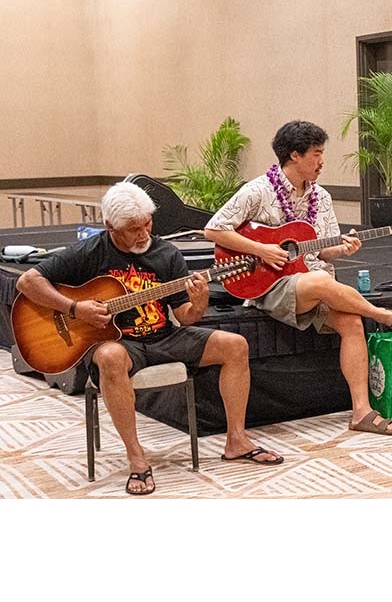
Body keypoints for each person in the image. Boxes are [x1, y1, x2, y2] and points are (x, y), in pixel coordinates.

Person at [15, 182, 283, 496]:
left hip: (164, 337)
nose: (144, 234)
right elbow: (27, 281)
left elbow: (184, 316)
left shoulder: (166, 253)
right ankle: (136, 457)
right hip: (118, 344)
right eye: (134, 229)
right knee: (110, 357)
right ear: (111, 227)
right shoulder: (90, 252)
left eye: (148, 224)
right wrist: (74, 308)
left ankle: (236, 440)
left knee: (235, 345)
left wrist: (198, 304)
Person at [204, 120, 392, 437]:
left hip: (310, 282)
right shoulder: (258, 191)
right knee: (321, 283)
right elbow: (213, 229)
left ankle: (361, 411)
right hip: (268, 284)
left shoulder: (320, 197)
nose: (322, 161)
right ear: (294, 155)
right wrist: (262, 249)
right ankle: (386, 316)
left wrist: (343, 248)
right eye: (316, 154)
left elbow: (323, 251)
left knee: (351, 321)